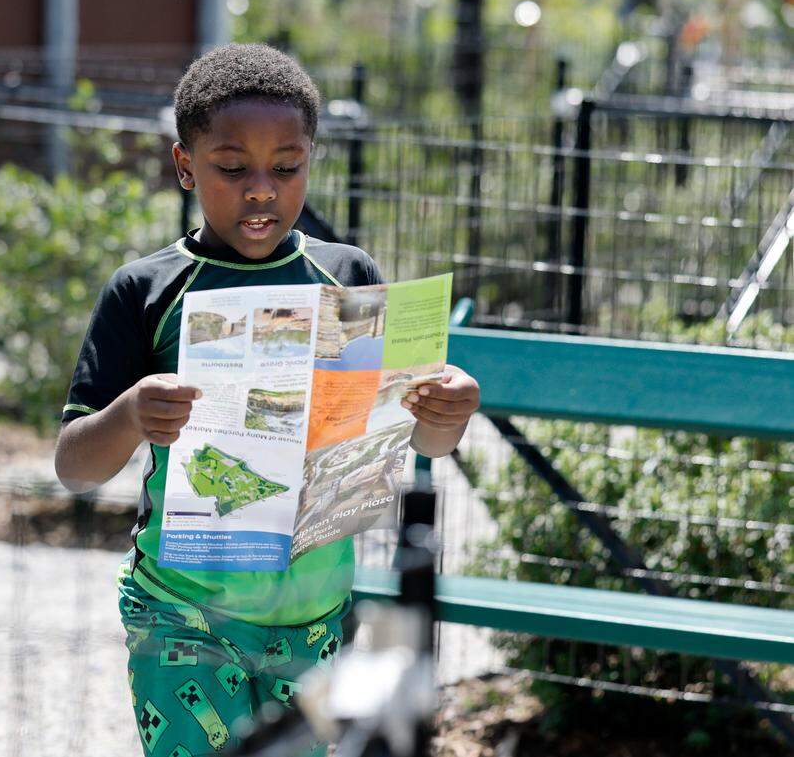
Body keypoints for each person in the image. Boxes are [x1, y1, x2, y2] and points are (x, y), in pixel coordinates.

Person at [55, 44, 480, 755]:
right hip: (182, 617)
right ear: (185, 164)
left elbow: (420, 442)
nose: (262, 189)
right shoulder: (146, 291)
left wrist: (448, 413)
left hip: (317, 618)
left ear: (310, 160)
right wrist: (131, 412)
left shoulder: (346, 278)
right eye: (232, 167)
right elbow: (74, 465)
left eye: (287, 168)